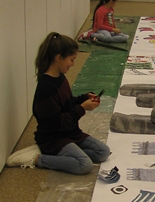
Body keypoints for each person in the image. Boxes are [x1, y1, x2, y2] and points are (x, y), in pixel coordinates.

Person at [6, 33, 110, 174]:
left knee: (103, 152)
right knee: (84, 165)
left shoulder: (60, 77)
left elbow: (67, 103)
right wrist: (82, 108)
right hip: (53, 138)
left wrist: (84, 98)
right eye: (71, 60)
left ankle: (65, 154)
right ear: (59, 57)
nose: (73, 64)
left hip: (70, 133)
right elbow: (58, 123)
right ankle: (36, 158)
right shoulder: (46, 87)